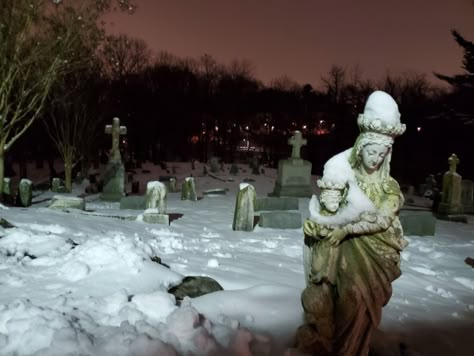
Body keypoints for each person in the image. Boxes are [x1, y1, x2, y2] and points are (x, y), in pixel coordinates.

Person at [296, 90, 408, 356]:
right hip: (345, 256)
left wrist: (347, 228)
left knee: (361, 305)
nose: (376, 158)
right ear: (361, 148)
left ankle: (354, 351)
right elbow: (326, 215)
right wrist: (315, 228)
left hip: (375, 258)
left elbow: (382, 221)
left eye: (382, 154)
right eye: (372, 151)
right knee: (346, 300)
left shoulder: (390, 188)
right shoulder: (343, 177)